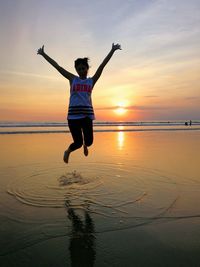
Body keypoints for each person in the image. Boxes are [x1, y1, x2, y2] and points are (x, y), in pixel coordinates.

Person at [37, 43, 121, 163]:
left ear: (87, 69)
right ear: (76, 70)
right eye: (79, 69)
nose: (81, 71)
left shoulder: (91, 81)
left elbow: (102, 66)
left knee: (89, 142)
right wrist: (44, 54)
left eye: (83, 68)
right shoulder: (72, 79)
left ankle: (86, 146)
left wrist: (112, 50)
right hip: (73, 117)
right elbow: (58, 67)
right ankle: (68, 151)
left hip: (87, 116)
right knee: (78, 143)